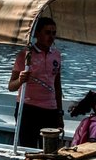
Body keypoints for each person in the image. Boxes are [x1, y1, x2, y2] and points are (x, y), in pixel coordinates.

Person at [8, 16, 63, 147]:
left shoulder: (56, 55)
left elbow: (57, 86)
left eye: (53, 33)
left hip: (50, 110)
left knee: (50, 150)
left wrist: (59, 113)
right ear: (37, 33)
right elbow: (11, 86)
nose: (51, 37)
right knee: (28, 148)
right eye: (47, 33)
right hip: (28, 109)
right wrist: (20, 80)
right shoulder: (25, 55)